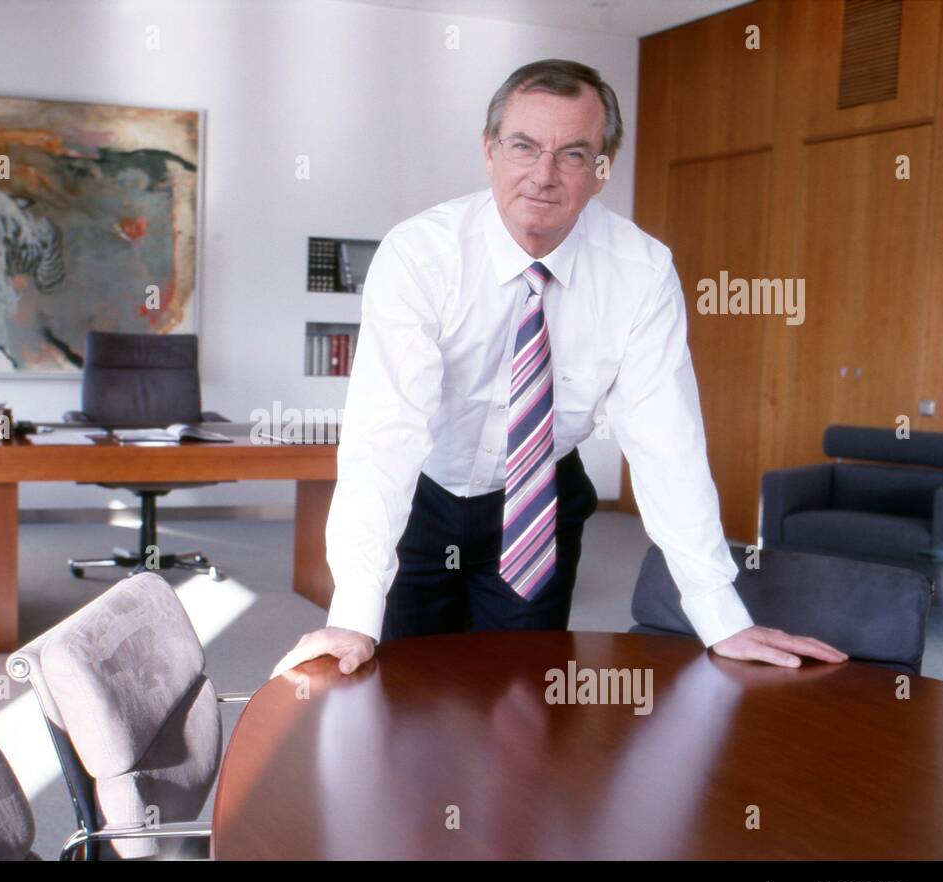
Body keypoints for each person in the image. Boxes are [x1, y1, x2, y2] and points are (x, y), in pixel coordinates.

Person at [273, 59, 846, 678]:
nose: (542, 176)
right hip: (422, 494)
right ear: (490, 150)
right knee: (402, 686)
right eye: (523, 146)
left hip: (536, 499)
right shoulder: (420, 254)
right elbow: (385, 435)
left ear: (601, 171)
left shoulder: (642, 271)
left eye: (573, 154)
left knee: (518, 696)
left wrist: (721, 617)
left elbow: (666, 444)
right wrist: (355, 612)